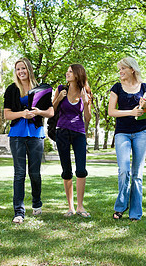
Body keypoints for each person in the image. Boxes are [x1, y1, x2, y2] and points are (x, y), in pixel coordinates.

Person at [108, 57, 146, 222]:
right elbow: (111, 112)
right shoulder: (116, 88)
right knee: (124, 170)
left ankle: (136, 212)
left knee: (137, 174)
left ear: (132, 70)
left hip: (141, 133)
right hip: (122, 132)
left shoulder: (145, 88)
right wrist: (131, 112)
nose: (121, 72)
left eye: (123, 68)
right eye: (120, 69)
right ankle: (121, 206)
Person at [4, 57, 54, 224]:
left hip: (36, 134)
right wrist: (22, 114)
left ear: (29, 69)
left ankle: (36, 203)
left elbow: (51, 112)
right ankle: (19, 212)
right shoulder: (12, 89)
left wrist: (39, 112)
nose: (21, 72)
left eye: (23, 68)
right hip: (17, 135)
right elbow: (6, 114)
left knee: (35, 173)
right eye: (18, 69)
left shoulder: (41, 90)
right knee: (19, 174)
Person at [52, 64, 92, 218]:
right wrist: (59, 99)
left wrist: (85, 101)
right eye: (67, 71)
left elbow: (87, 118)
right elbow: (52, 111)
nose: (67, 73)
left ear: (77, 74)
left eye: (70, 71)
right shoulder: (61, 89)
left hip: (79, 133)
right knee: (66, 170)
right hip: (61, 131)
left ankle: (80, 206)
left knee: (81, 170)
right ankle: (70, 208)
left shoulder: (85, 91)